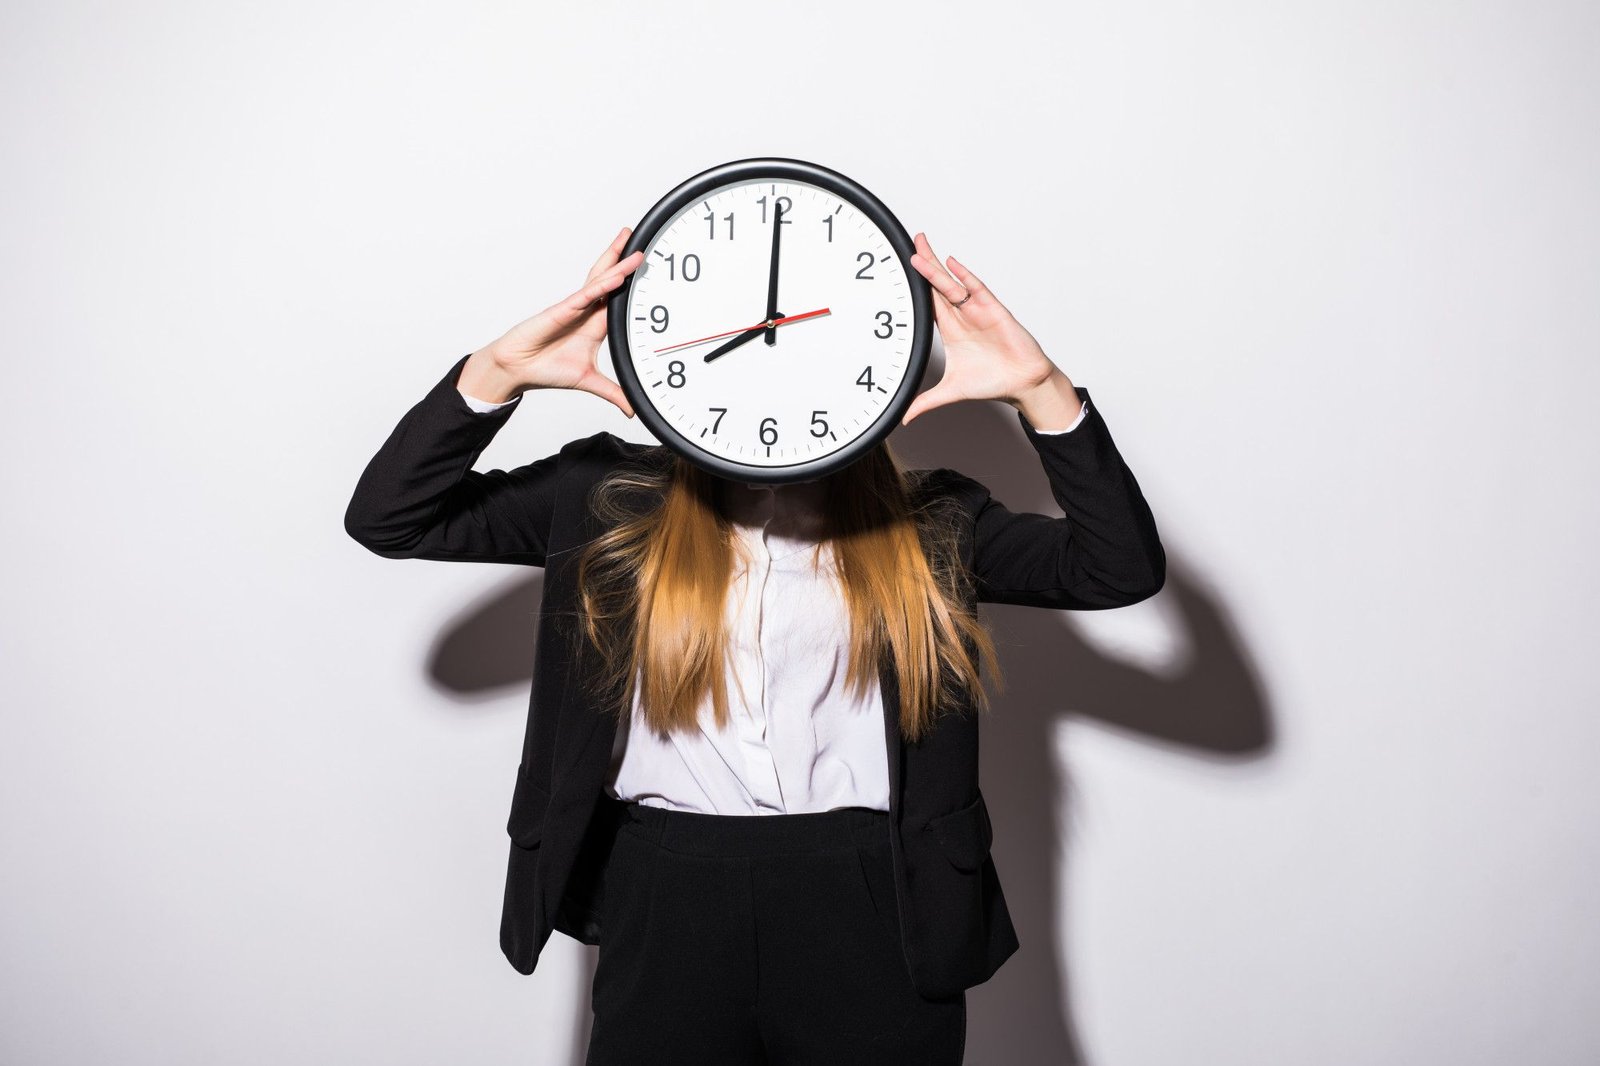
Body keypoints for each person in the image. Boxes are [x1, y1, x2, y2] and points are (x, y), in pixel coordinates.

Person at [345, 225, 1166, 1065]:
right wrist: (498, 374)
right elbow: (391, 517)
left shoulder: (932, 524)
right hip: (667, 891)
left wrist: (1040, 389)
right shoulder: (605, 499)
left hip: (870, 896)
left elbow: (1117, 569)